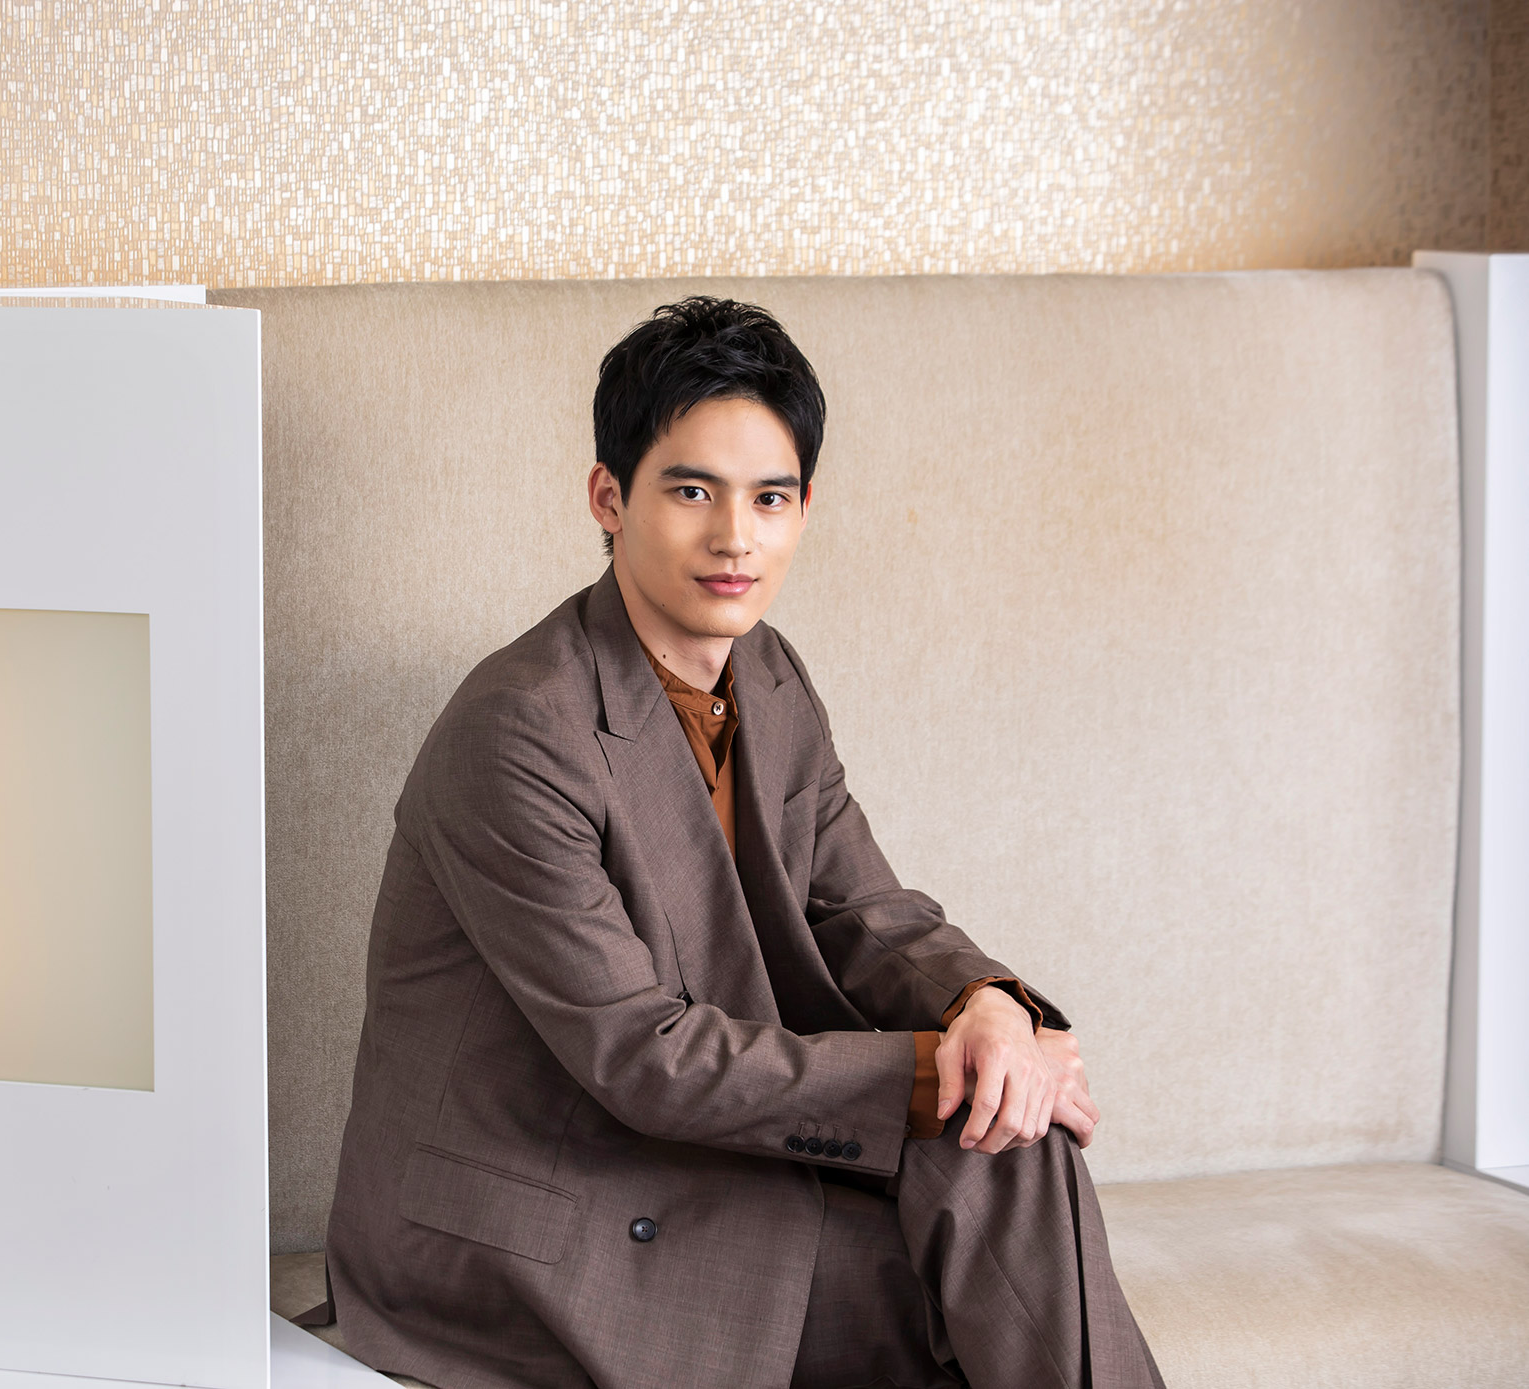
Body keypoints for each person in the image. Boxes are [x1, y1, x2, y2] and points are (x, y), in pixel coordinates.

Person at [317, 296, 1166, 1389]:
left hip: (698, 1163)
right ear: (608, 498)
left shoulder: (766, 673)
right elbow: (643, 1058)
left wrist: (987, 1012)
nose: (735, 537)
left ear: (804, 507)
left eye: (769, 497)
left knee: (1014, 1148)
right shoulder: (518, 730)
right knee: (972, 1276)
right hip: (544, 1215)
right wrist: (936, 1071)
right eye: (691, 492)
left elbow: (861, 910)